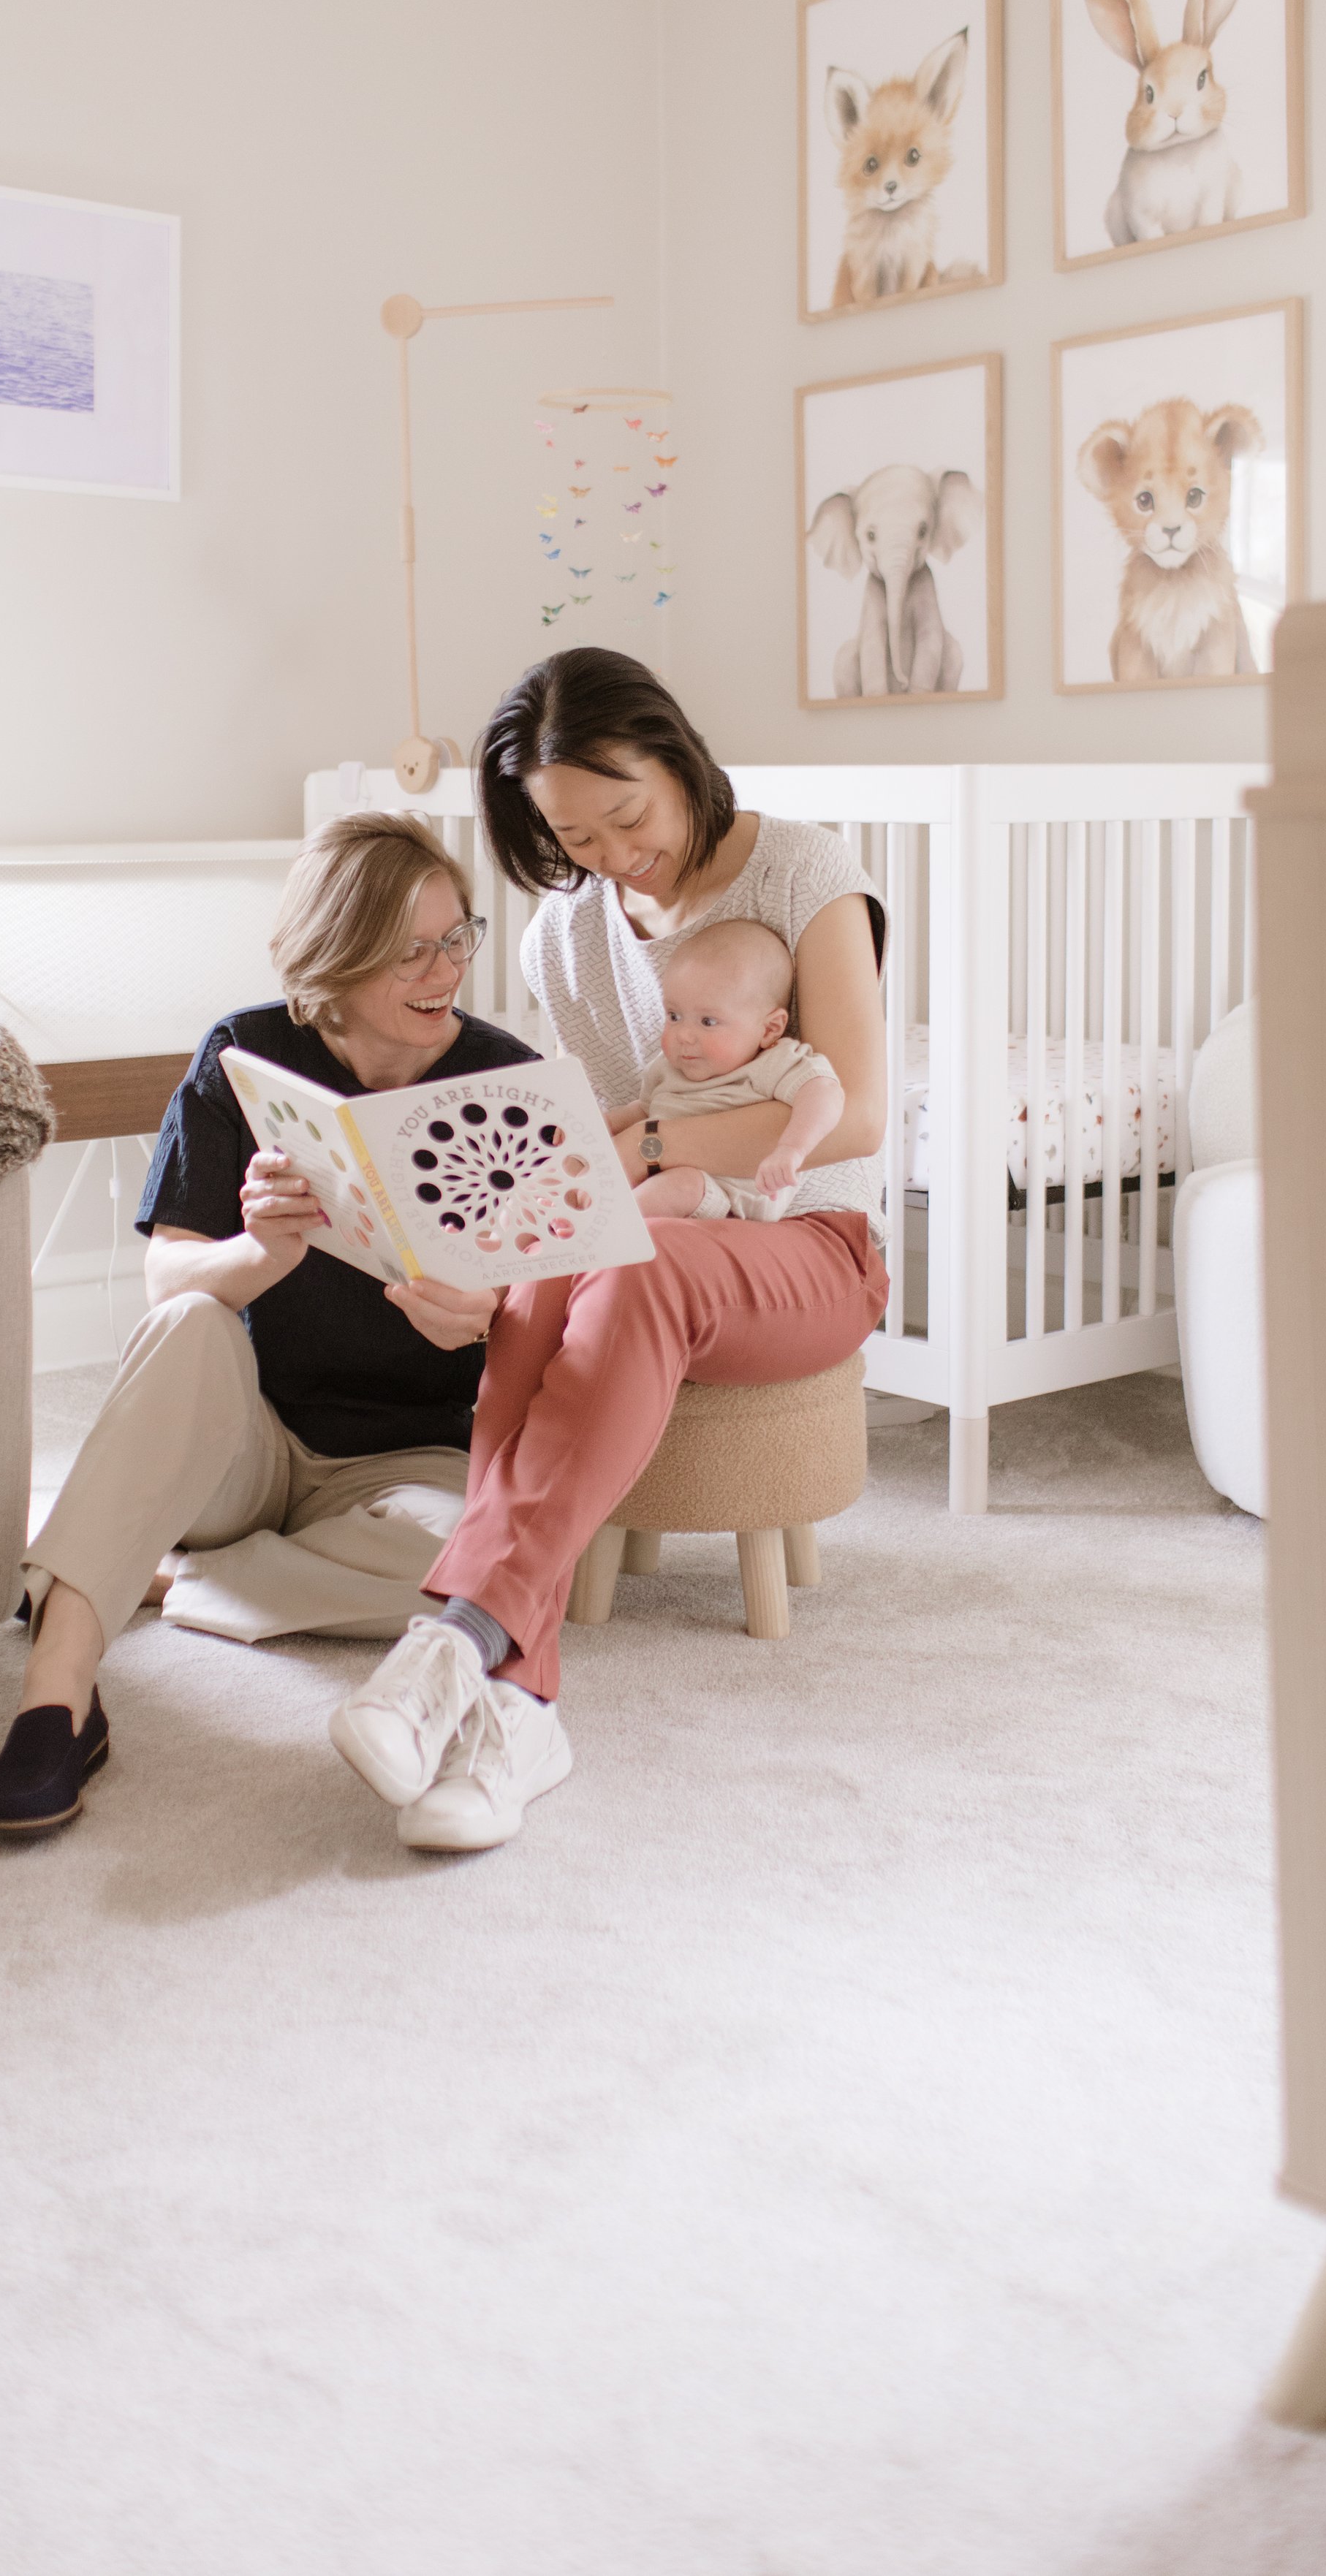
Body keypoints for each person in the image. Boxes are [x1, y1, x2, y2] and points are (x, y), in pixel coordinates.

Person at [327, 647, 890, 1858]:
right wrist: (484, 1258)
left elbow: (855, 1113)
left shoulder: (808, 873)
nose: (611, 853)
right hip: (649, 1234)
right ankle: (515, 1705)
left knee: (630, 1259)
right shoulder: (567, 941)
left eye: (627, 814)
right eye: (575, 836)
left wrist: (657, 1141)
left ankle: (454, 1645)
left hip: (808, 1242)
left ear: (677, 758)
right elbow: (591, 1159)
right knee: (547, 1282)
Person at [0, 810, 537, 1836]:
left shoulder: (505, 1081)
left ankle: (154, 1572)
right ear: (338, 954)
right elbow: (168, 1281)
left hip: (408, 1466)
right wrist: (259, 1255)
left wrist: (492, 1317)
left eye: (458, 936)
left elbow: (558, 1322)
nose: (444, 967)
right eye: (410, 947)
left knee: (472, 1583)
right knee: (192, 1319)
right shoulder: (245, 1053)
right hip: (246, 1448)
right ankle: (58, 1691)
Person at [605, 917, 844, 1223]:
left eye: (708, 1022)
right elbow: (644, 1110)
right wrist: (603, 1125)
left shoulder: (772, 1062)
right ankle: (562, 1216)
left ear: (769, 1029)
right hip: (661, 1174)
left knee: (681, 1184)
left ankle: (608, 1224)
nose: (684, 1035)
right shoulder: (668, 1068)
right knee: (590, 1160)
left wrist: (792, 1149)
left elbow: (825, 1092)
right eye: (674, 1016)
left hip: (731, 1190)